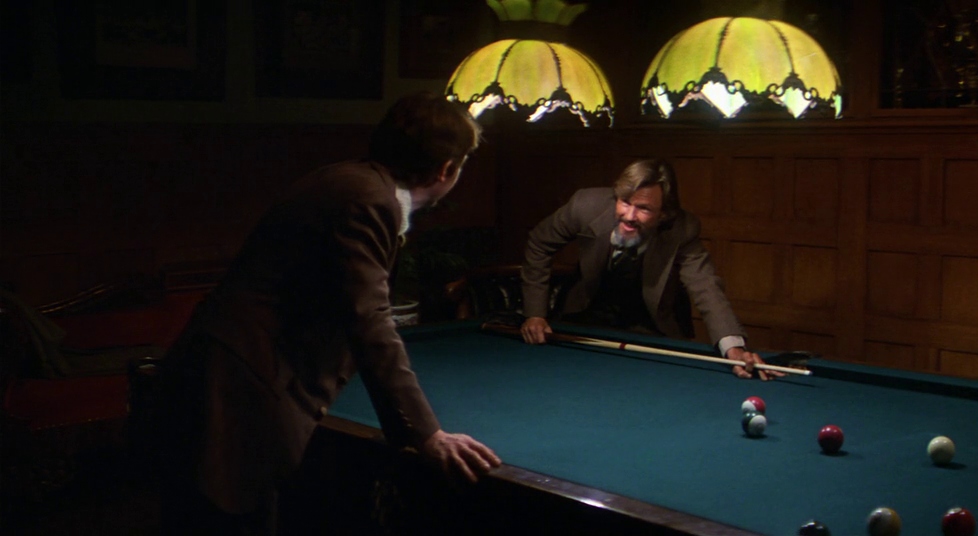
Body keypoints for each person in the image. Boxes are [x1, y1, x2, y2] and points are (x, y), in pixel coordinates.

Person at [147, 91, 501, 535]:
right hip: (238, 391)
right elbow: (369, 321)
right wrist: (426, 434)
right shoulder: (369, 200)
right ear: (447, 169)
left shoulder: (348, 180)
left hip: (223, 372)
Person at [519, 158, 779, 380]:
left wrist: (733, 347)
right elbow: (540, 243)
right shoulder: (585, 205)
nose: (629, 216)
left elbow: (705, 285)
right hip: (583, 319)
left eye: (643, 208)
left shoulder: (682, 229)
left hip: (652, 329)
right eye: (625, 202)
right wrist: (535, 314)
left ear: (664, 213)